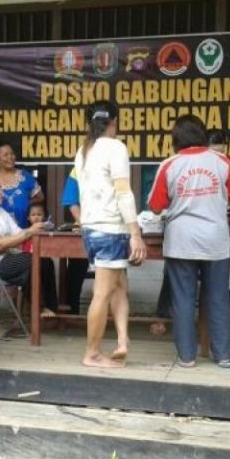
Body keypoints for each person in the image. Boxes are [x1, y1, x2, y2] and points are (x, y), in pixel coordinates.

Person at [148, 116, 230, 368]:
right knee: (218, 297)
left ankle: (187, 357)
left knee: (182, 298)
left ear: (175, 138)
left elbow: (155, 206)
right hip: (216, 239)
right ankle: (223, 356)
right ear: (202, 134)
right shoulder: (222, 161)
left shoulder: (170, 164)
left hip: (181, 239)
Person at [75, 101, 146, 368]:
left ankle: (122, 340)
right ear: (114, 122)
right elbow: (123, 192)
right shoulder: (115, 147)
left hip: (90, 229)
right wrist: (135, 232)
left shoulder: (83, 151)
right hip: (110, 230)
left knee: (118, 287)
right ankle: (92, 353)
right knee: (102, 293)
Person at [0, 175, 58, 319]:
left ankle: (49, 308)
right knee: (32, 263)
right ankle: (37, 308)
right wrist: (29, 231)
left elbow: (18, 233)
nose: (2, 192)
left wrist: (36, 229)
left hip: (3, 258)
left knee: (45, 261)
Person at [60, 169, 99, 314]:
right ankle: (72, 311)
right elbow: (72, 201)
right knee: (76, 268)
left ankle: (113, 317)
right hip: (85, 227)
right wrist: (84, 224)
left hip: (110, 229)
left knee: (115, 273)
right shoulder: (78, 169)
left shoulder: (113, 163)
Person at [0, 143, 43, 228]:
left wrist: (25, 204)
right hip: (0, 231)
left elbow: (40, 197)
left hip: (25, 230)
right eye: (6, 155)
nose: (10, 157)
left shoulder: (25, 176)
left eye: (12, 154)